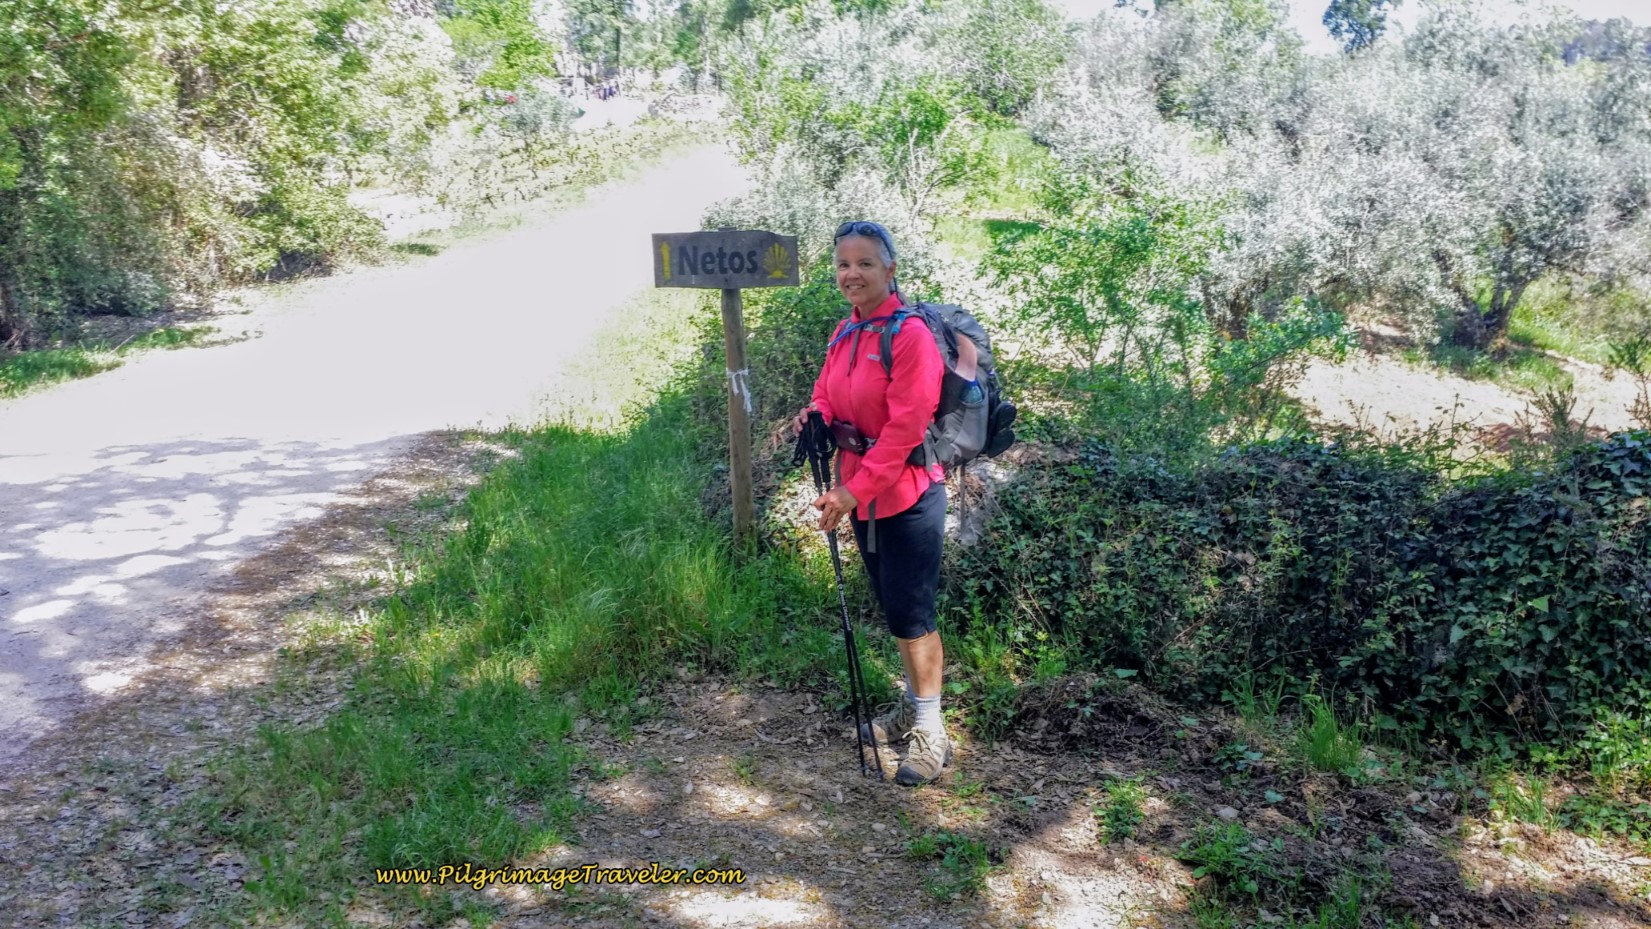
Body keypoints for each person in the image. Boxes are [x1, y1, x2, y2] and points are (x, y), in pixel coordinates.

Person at [794, 220, 952, 787]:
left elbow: (906, 429)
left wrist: (851, 491)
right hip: (861, 495)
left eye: (864, 263)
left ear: (890, 269)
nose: (851, 274)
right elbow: (825, 393)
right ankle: (913, 708)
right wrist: (814, 417)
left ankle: (932, 731)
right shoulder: (845, 332)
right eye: (842, 264)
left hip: (907, 496)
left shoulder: (908, 336)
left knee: (913, 616)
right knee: (893, 608)